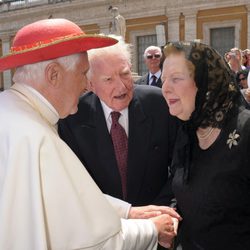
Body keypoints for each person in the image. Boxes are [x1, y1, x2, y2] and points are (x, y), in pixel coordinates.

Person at [0, 18, 181, 250]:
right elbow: (96, 240)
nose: (86, 86)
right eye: (83, 73)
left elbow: (72, 198)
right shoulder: (34, 138)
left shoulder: (13, 113)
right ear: (53, 74)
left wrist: (129, 212)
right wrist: (152, 228)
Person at [161, 41, 250, 249]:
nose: (165, 88)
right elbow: (182, 189)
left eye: (176, 79)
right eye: (164, 80)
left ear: (206, 82)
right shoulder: (188, 130)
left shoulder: (246, 131)